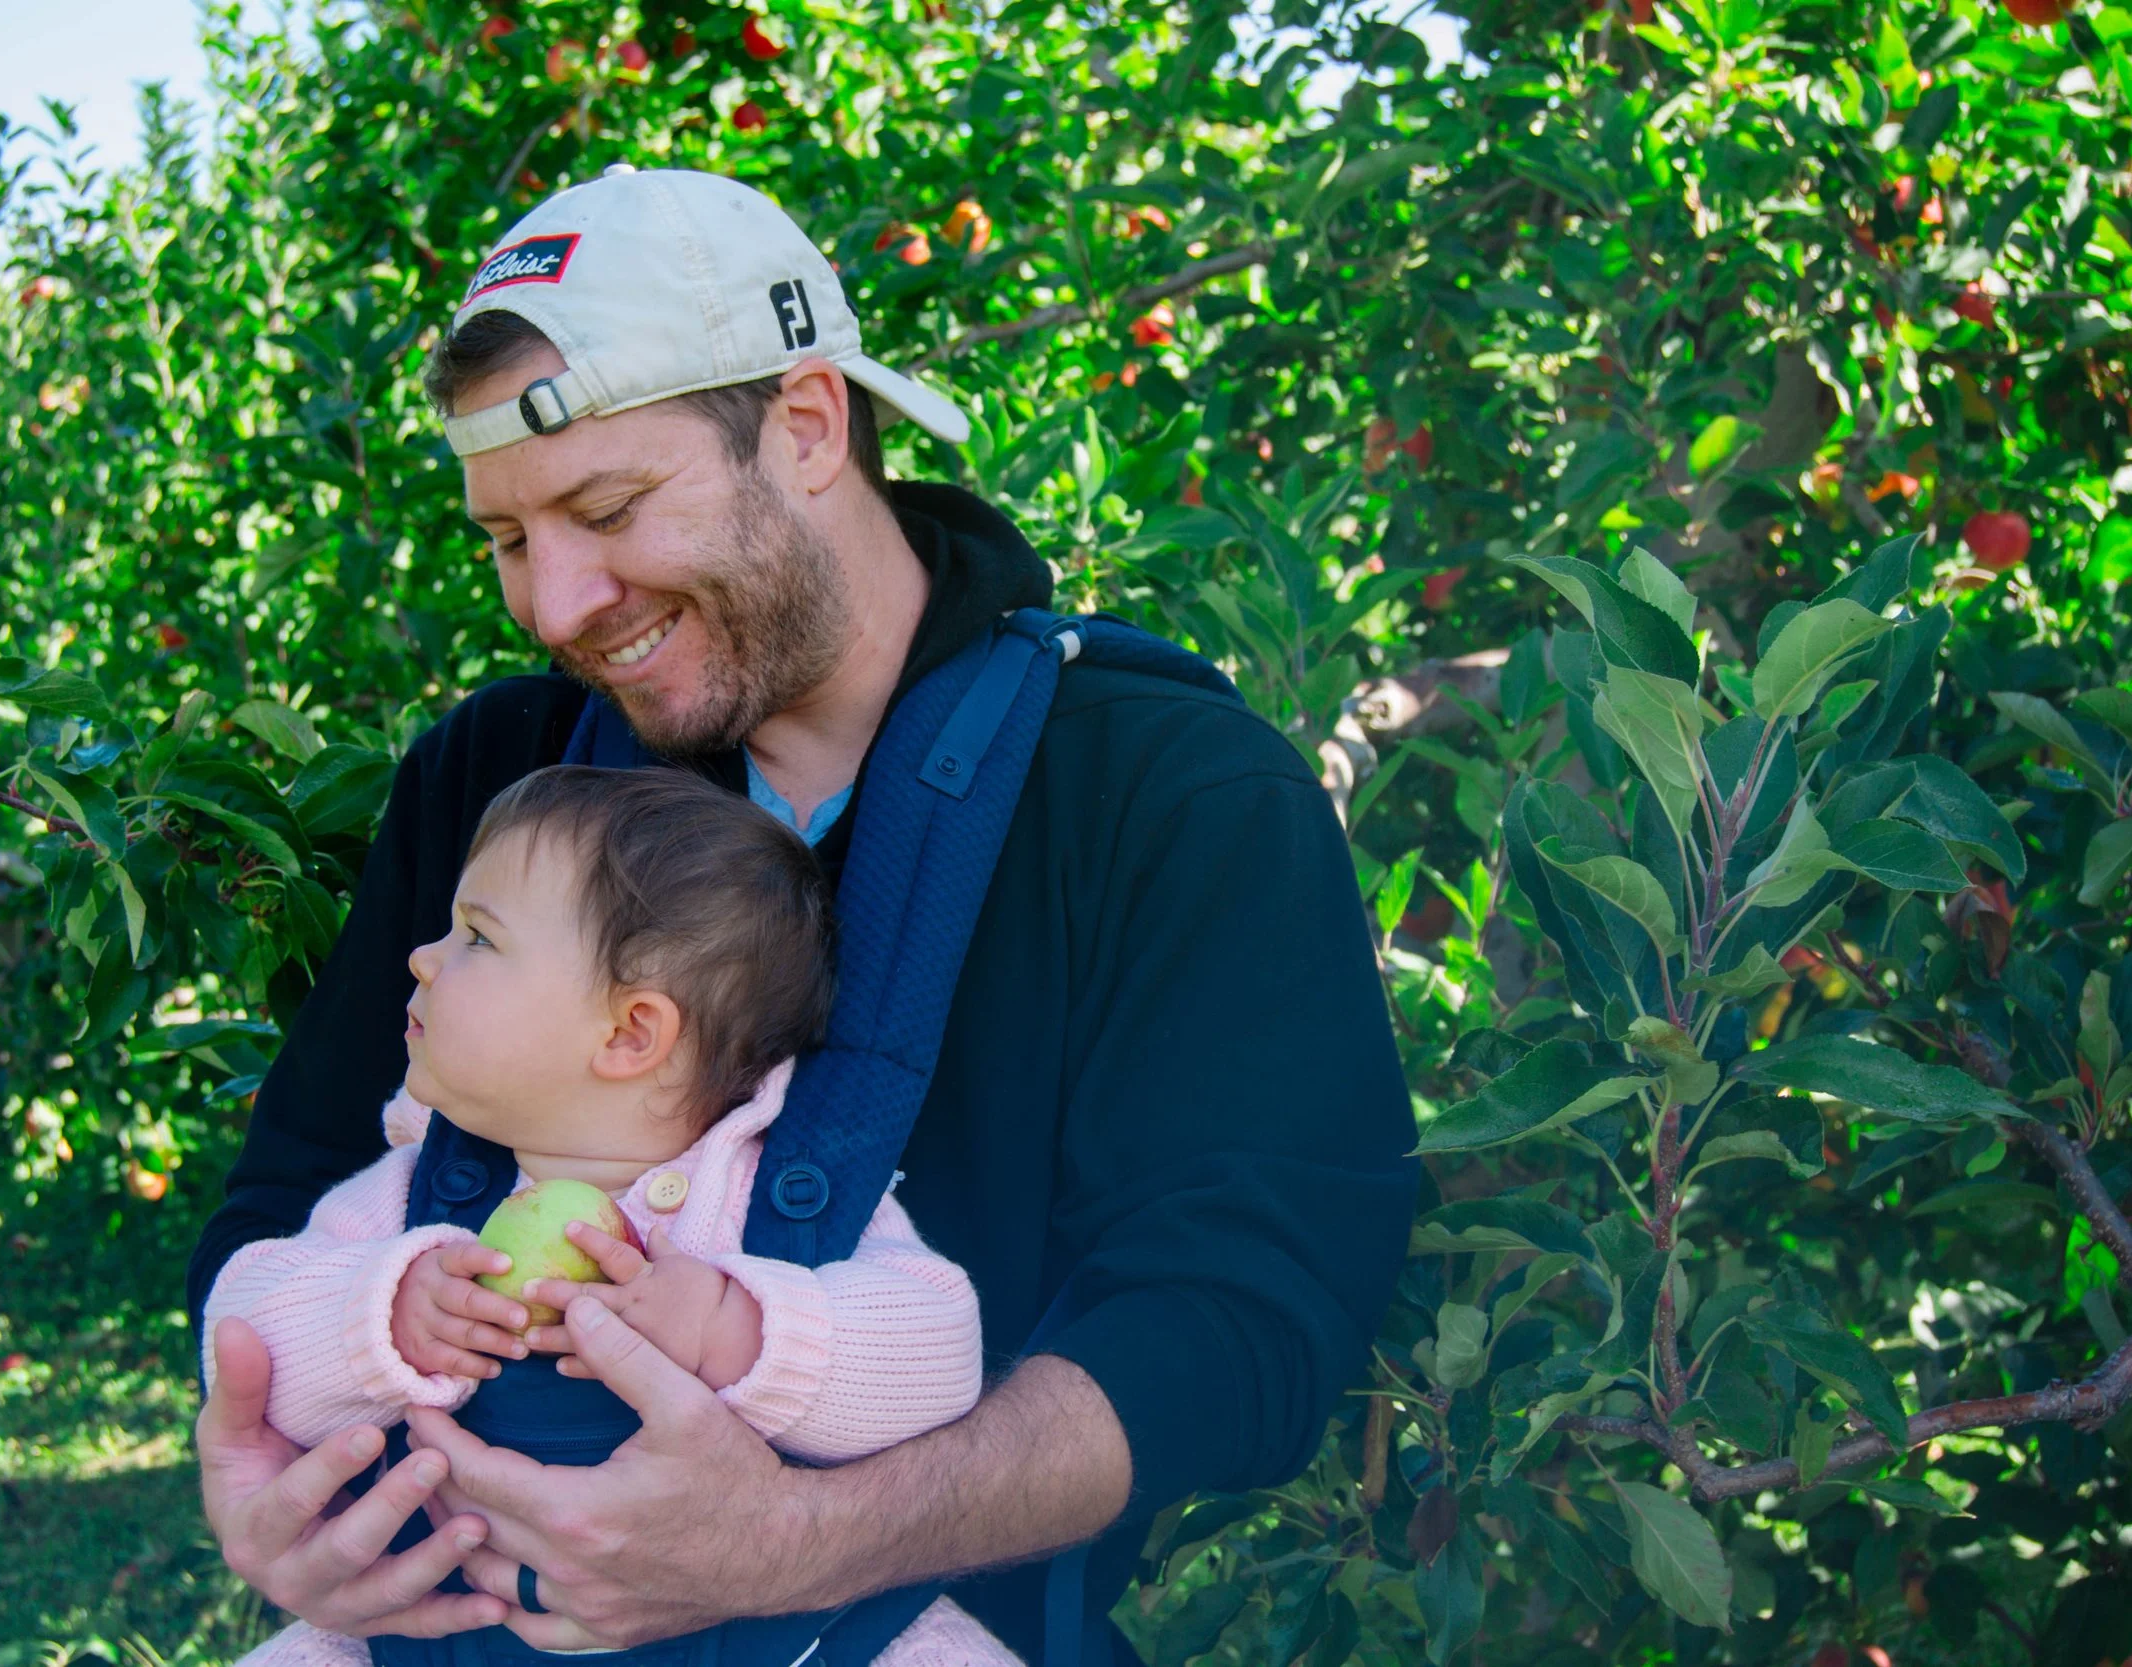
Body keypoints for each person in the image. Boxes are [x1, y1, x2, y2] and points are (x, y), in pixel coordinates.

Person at [190, 165, 1418, 1665]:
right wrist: (258, 1472)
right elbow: (290, 1192)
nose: (557, 603)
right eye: (509, 540)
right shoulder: (496, 777)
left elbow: (1247, 1319)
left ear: (811, 425)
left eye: (608, 508)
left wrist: (800, 1541)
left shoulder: (1165, 794)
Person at [204, 765, 1017, 1667]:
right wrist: (381, 1317)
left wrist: (740, 1328)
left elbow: (941, 1355)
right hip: (454, 1636)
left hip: (788, 1643)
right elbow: (241, 1329)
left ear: (631, 1033)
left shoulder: (780, 1200)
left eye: (476, 937)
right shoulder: (418, 1198)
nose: (422, 957)